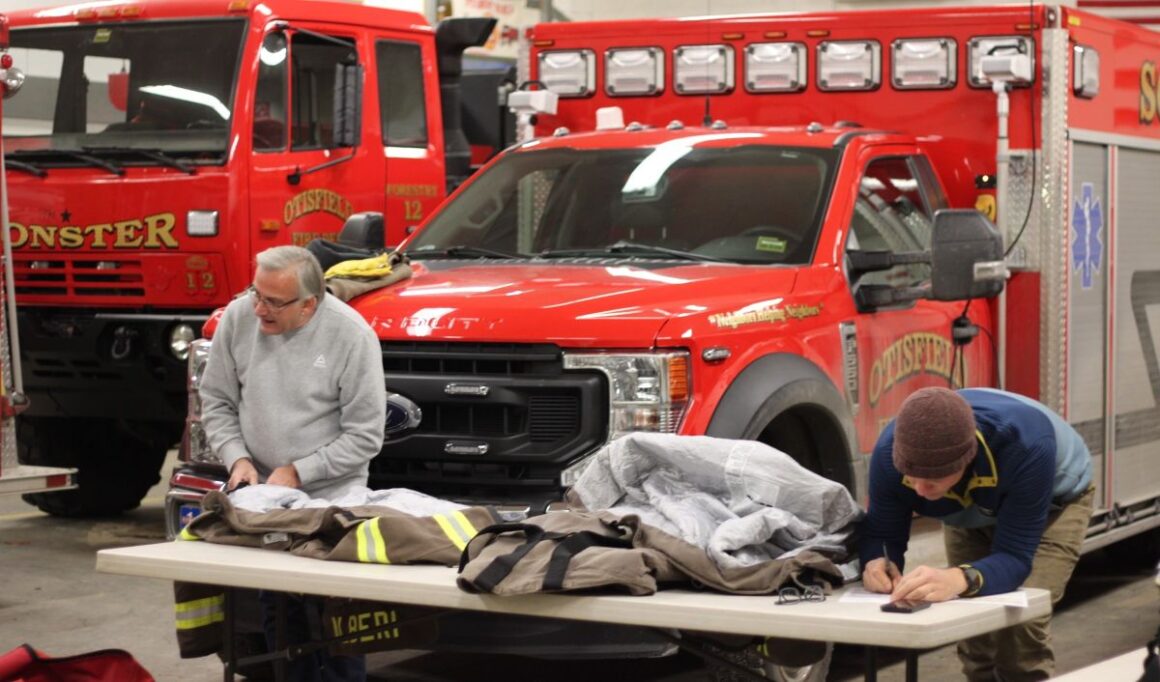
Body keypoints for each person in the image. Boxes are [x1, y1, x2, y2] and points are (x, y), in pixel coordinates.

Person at [199, 244, 386, 682]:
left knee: (335, 618)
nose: (260, 309)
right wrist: (238, 458)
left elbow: (365, 436)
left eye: (274, 302)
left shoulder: (351, 336)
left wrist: (301, 471)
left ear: (309, 306)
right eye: (255, 294)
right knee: (279, 614)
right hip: (266, 502)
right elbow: (217, 401)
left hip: (332, 500)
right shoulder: (238, 318)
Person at [860, 386, 1094, 682]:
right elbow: (882, 532)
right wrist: (876, 562)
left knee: (1019, 624)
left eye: (932, 479)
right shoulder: (888, 453)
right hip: (973, 508)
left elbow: (1014, 558)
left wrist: (956, 579)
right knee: (972, 629)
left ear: (967, 458)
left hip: (1052, 504)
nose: (919, 489)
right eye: (911, 476)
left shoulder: (1026, 445)